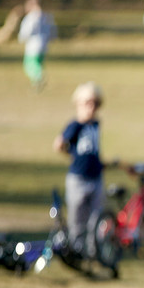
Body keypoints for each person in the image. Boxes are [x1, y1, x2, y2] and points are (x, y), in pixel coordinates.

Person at [53, 82, 107, 244]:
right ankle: (77, 247)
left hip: (96, 177)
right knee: (77, 217)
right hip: (79, 178)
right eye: (87, 103)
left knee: (96, 218)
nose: (91, 108)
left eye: (95, 104)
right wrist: (72, 154)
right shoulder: (75, 126)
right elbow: (59, 144)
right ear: (78, 104)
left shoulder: (96, 124)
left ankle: (93, 250)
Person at [18, 0, 56, 90]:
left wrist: (22, 37)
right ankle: (36, 83)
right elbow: (52, 29)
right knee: (38, 64)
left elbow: (27, 31)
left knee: (29, 65)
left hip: (33, 45)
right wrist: (51, 38)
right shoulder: (47, 16)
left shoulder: (32, 17)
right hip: (43, 44)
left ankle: (39, 77)